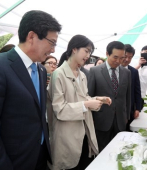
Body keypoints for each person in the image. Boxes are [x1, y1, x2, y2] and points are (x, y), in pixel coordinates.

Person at [0, 10, 61, 170]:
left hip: (40, 155)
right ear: (32, 36)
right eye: (52, 42)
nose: (53, 50)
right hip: (14, 161)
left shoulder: (40, 71)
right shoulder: (2, 66)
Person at [47, 34, 112, 170]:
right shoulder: (58, 74)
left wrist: (98, 99)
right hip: (66, 135)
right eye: (86, 51)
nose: (88, 55)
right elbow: (60, 109)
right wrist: (87, 104)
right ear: (74, 49)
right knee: (69, 165)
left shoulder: (82, 74)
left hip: (84, 132)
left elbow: (84, 98)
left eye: (90, 52)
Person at [88, 41, 131, 152]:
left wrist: (126, 115)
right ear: (107, 54)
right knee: (102, 150)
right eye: (115, 57)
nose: (118, 61)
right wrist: (91, 117)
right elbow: (89, 95)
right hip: (101, 119)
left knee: (120, 150)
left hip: (120, 120)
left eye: (121, 58)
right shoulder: (95, 71)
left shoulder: (126, 73)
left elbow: (128, 96)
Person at [121, 44, 141, 131]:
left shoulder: (134, 72)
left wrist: (138, 108)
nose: (127, 59)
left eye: (130, 57)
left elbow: (137, 91)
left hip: (129, 109)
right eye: (125, 56)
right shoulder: (113, 70)